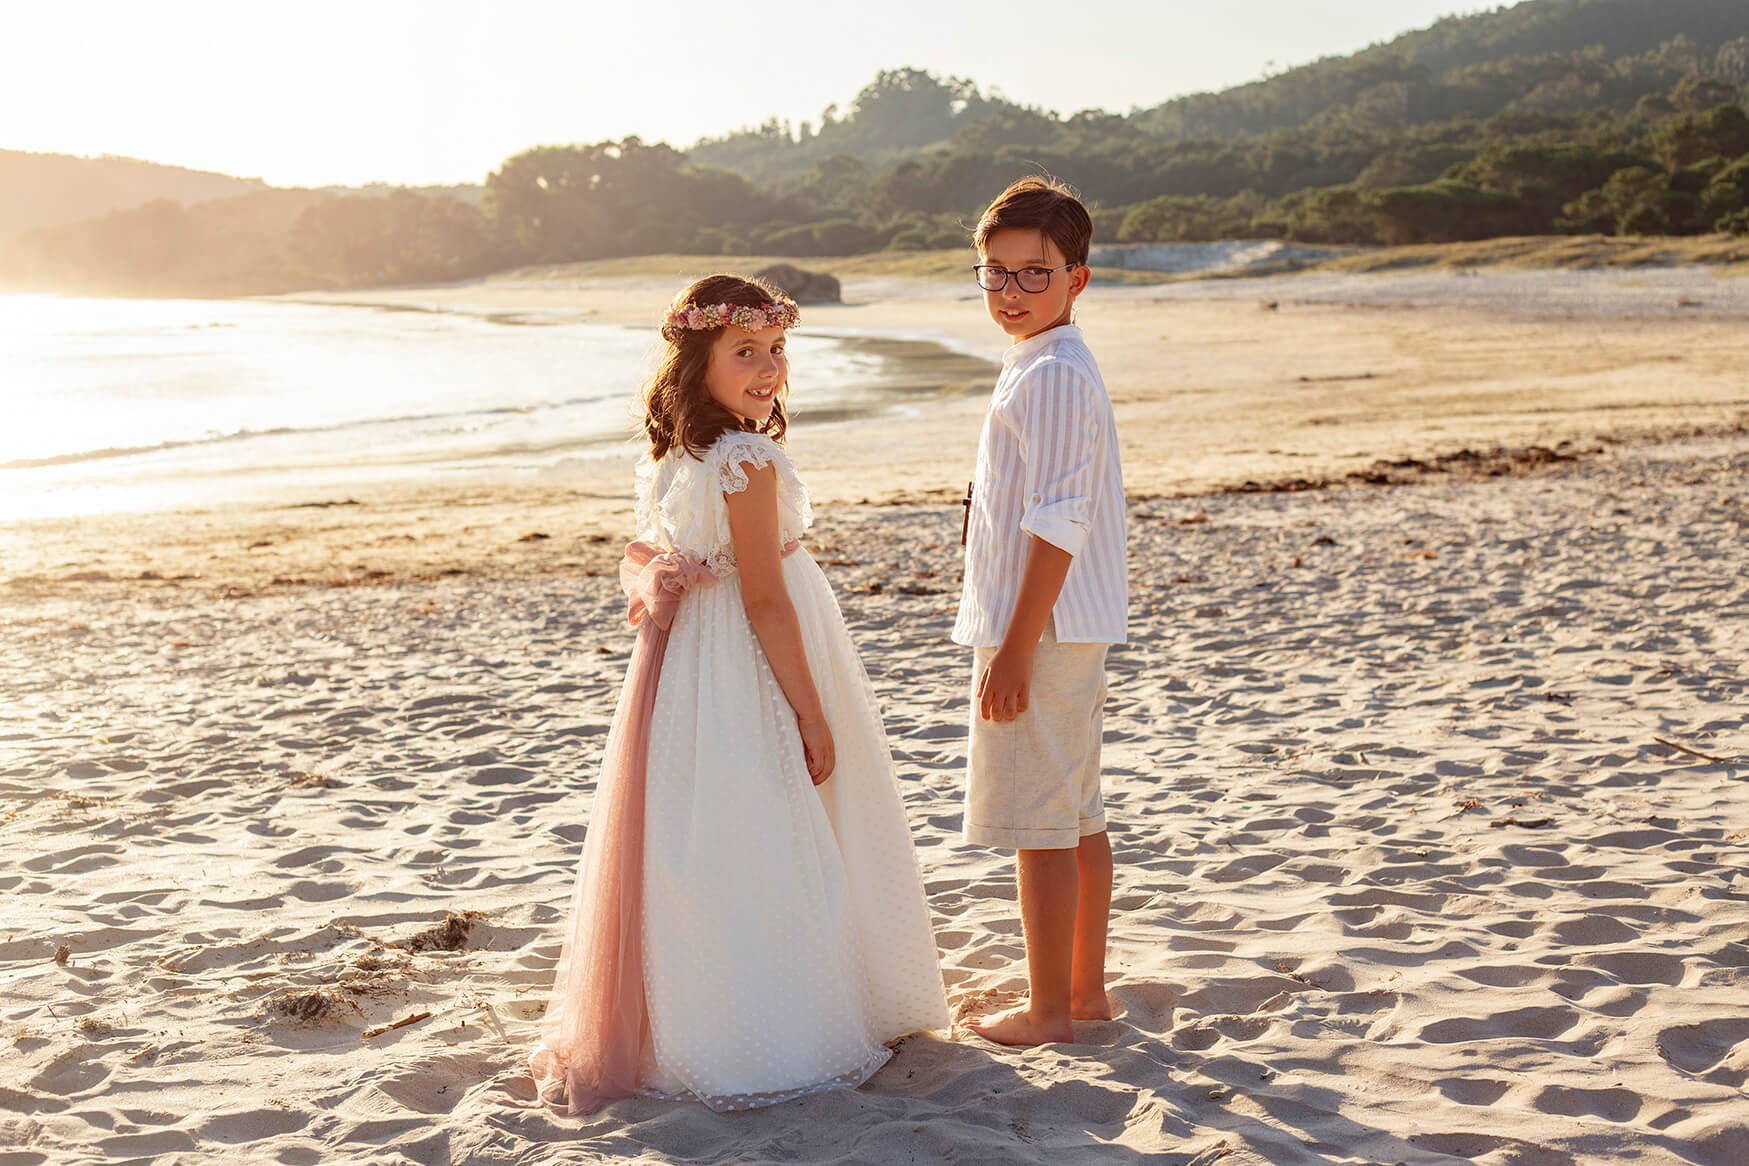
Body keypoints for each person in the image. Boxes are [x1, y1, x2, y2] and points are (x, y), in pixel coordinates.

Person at [529, 273, 948, 1113]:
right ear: (696, 363)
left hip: (692, 668)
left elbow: (671, 557)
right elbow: (764, 597)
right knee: (777, 818)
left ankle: (696, 1018)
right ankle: (789, 1020)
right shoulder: (747, 459)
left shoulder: (676, 456)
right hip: (754, 659)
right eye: (744, 352)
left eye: (777, 350)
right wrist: (809, 708)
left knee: (713, 830)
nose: (768, 369)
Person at [954, 177, 1128, 1047]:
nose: (1011, 292)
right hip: (1061, 622)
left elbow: (1058, 523)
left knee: (1040, 824)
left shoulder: (1053, 374)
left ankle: (1051, 1009)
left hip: (1046, 626)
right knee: (1074, 812)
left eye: (1034, 273)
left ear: (1076, 278)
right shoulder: (1041, 363)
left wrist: (1014, 647)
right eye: (995, 274)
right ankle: (1085, 995)